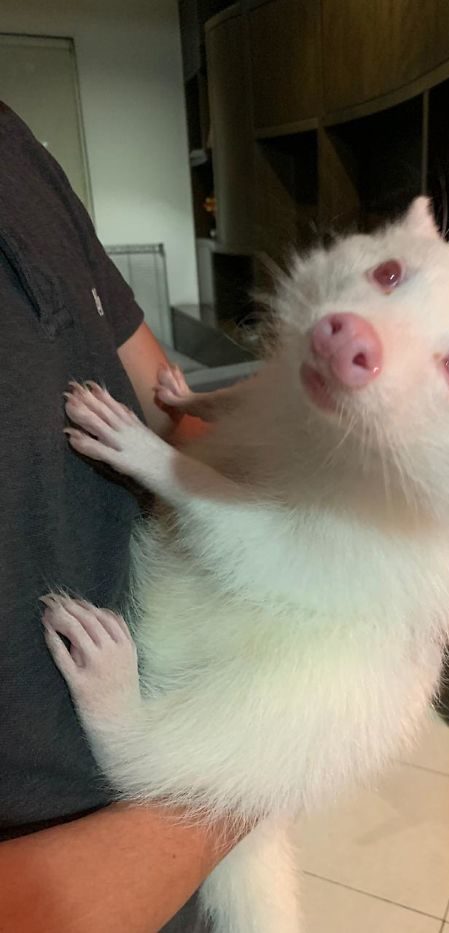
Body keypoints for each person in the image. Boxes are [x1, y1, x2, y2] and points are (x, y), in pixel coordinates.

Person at [0, 102, 242, 931]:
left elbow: (175, 411)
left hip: (190, 788)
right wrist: (250, 782)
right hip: (115, 848)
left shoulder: (15, 140)